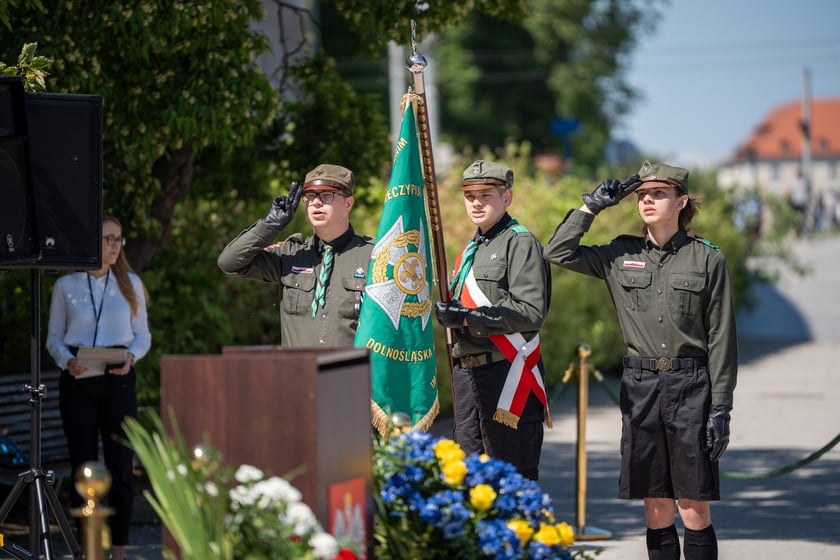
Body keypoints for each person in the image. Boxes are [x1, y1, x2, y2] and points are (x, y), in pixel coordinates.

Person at [544, 161, 737, 560]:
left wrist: (721, 408)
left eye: (658, 194)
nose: (647, 200)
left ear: (681, 201)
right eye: (641, 195)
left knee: (693, 506)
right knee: (656, 506)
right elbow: (557, 252)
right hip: (641, 388)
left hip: (691, 388)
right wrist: (590, 208)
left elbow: (721, 338)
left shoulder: (707, 259)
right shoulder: (619, 253)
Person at [434, 159, 552, 481]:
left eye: (486, 194)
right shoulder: (470, 250)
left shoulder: (520, 242)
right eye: (470, 195)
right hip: (468, 374)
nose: (476, 202)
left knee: (511, 477)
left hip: (505, 370)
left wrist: (470, 318)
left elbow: (530, 312)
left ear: (507, 198)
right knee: (470, 476)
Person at [46, 215, 151, 560]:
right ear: (91, 242)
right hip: (78, 377)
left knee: (122, 465)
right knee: (83, 464)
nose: (114, 246)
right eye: (108, 239)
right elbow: (54, 340)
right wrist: (67, 362)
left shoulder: (130, 283)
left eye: (118, 239)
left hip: (119, 375)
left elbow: (142, 336)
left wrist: (132, 358)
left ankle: (119, 550)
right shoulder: (67, 286)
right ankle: (84, 549)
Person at [218, 163, 372, 347]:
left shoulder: (373, 256)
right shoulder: (291, 253)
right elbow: (229, 262)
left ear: (348, 203)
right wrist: (270, 225)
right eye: (310, 196)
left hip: (351, 373)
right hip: (297, 372)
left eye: (326, 195)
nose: (316, 202)